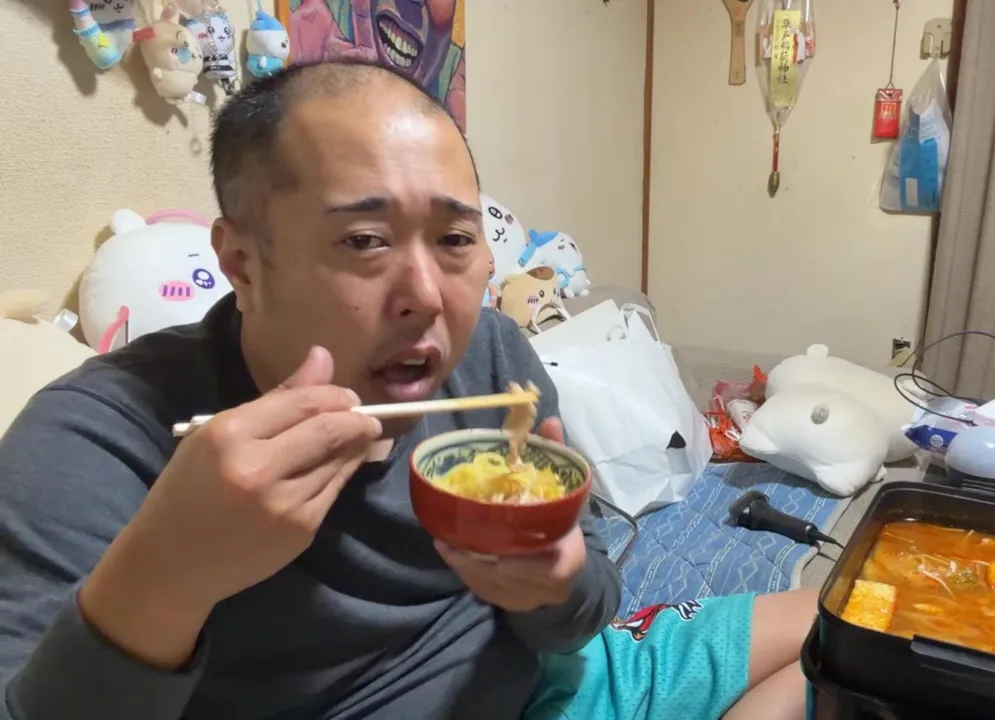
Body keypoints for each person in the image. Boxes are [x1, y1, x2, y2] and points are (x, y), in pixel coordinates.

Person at [0, 60, 814, 719]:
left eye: (454, 238)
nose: (427, 295)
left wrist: (557, 585)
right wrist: (165, 579)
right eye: (365, 240)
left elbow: (586, 605)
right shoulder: (95, 439)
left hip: (554, 687)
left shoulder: (490, 358)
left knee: (844, 623)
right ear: (242, 264)